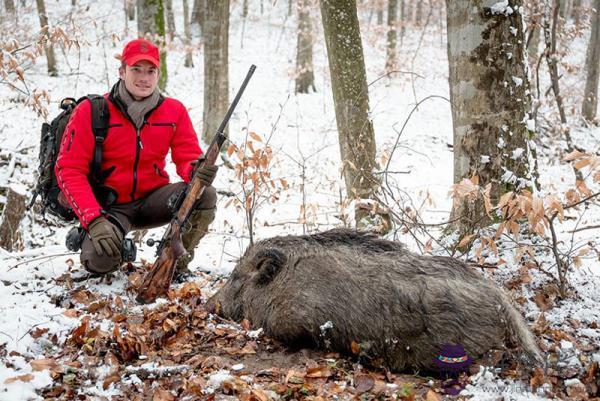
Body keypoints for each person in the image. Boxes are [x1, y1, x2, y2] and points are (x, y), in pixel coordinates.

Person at [55, 38, 217, 279]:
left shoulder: (175, 110)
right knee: (99, 261)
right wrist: (94, 219)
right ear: (122, 71)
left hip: (154, 200)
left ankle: (174, 262)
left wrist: (196, 170)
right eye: (136, 69)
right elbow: (69, 170)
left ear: (158, 74)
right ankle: (115, 249)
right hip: (110, 207)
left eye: (151, 71)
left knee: (206, 193)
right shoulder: (92, 110)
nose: (144, 77)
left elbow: (186, 156)